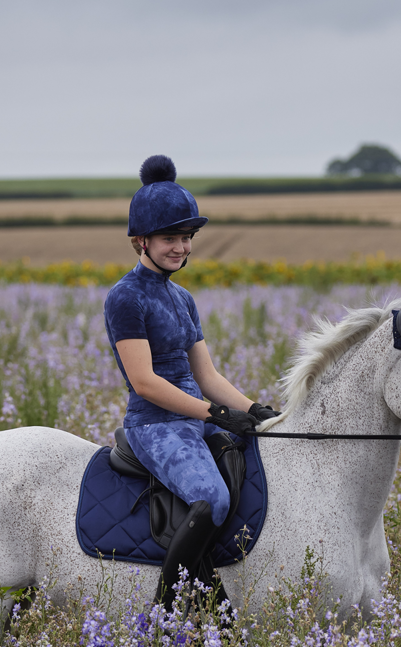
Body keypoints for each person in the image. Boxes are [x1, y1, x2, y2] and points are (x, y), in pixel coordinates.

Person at [104, 155, 278, 610]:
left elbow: (206, 375)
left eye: (186, 238)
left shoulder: (182, 297)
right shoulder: (125, 298)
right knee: (212, 498)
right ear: (140, 241)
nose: (180, 247)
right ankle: (170, 608)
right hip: (155, 425)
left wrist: (256, 410)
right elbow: (144, 382)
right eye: (169, 238)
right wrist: (215, 414)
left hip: (195, 417)